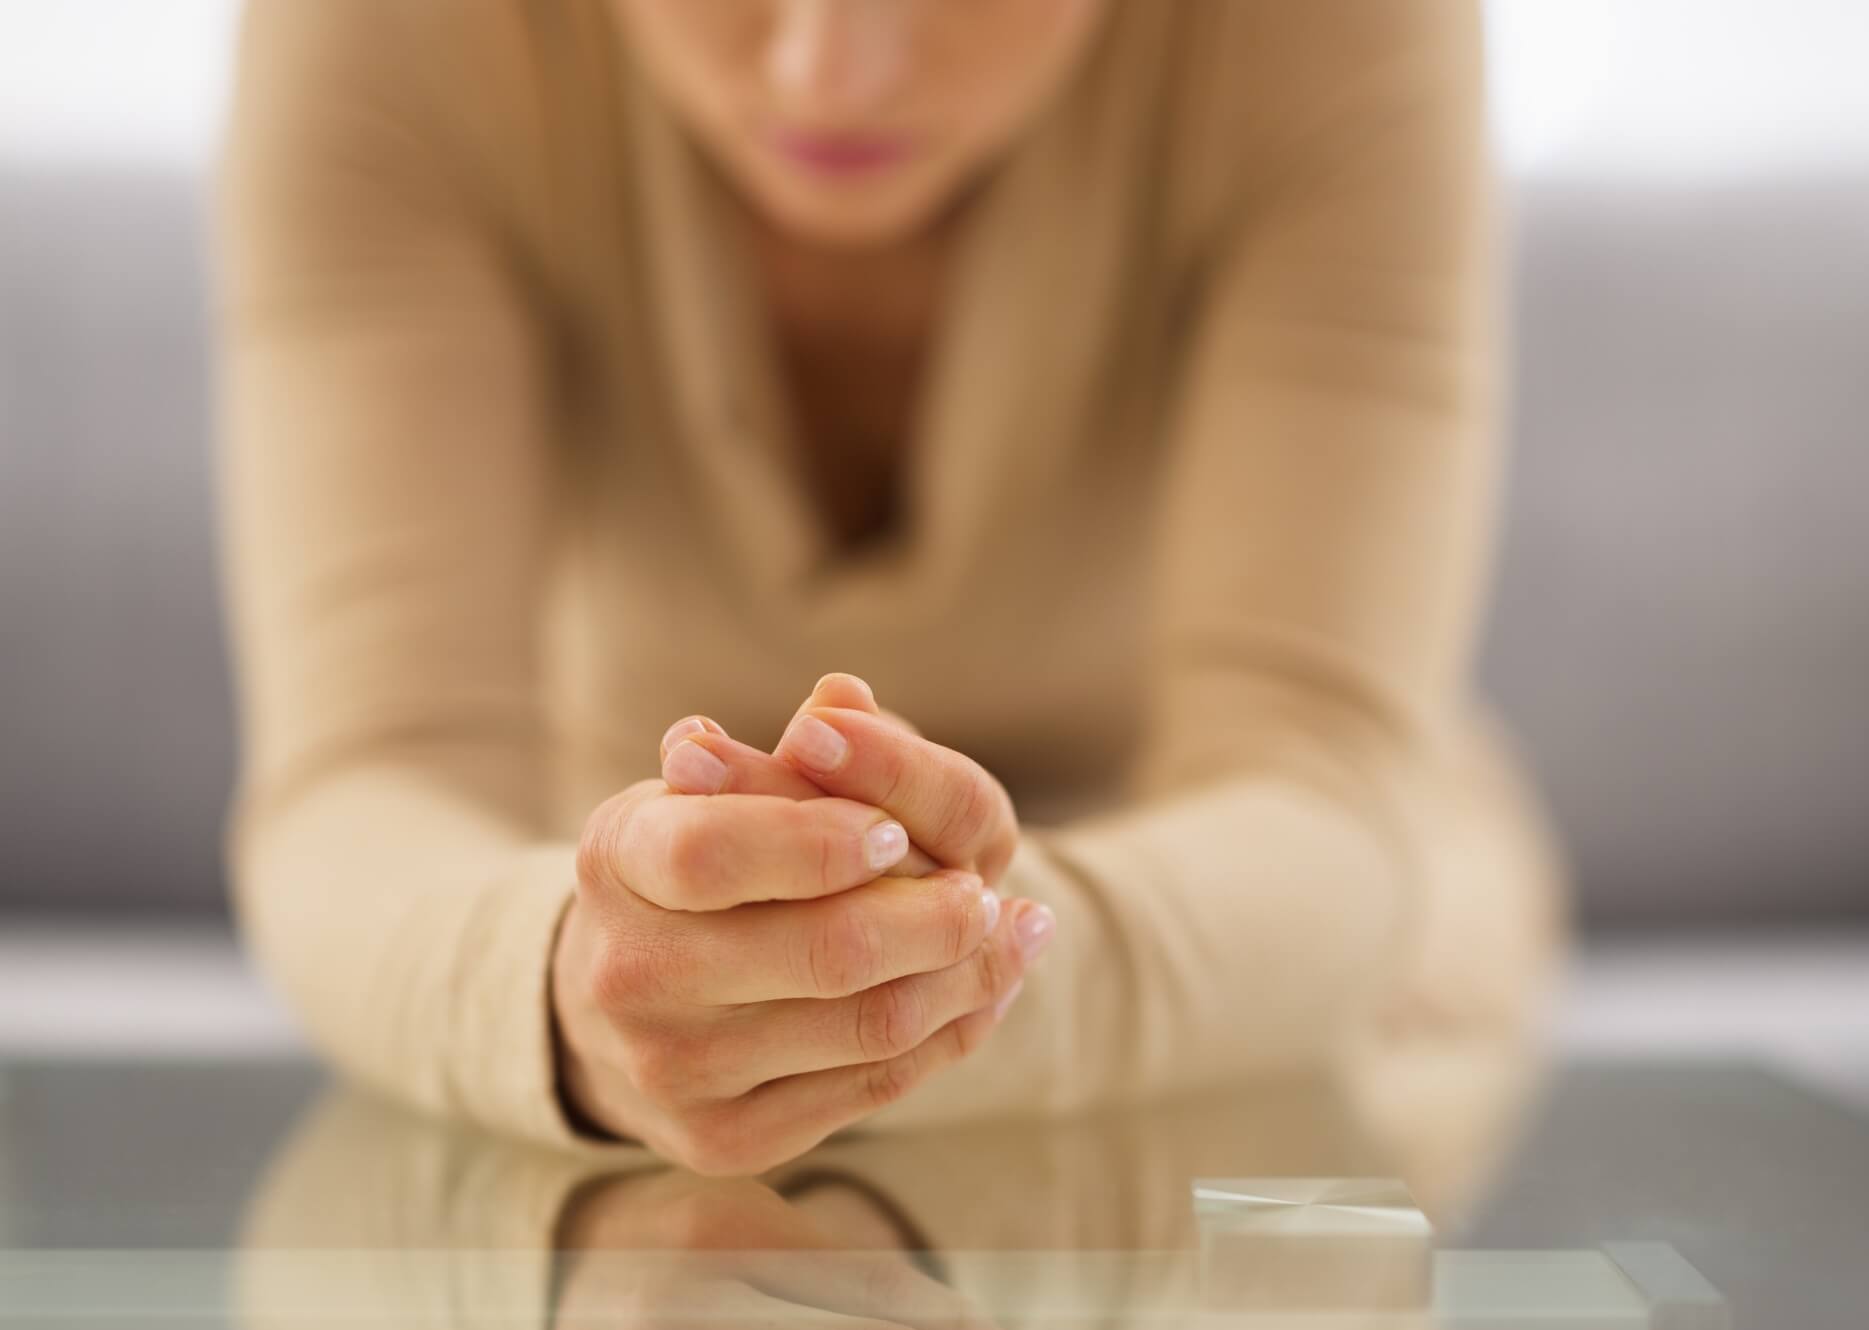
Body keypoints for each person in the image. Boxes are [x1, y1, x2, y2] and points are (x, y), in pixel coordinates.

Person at [217, 0, 1564, 1176]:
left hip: (1270, 947)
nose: (828, 72)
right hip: (626, 942)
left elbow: (1320, 789)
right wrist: (562, 985)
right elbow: (365, 785)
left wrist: (928, 980)